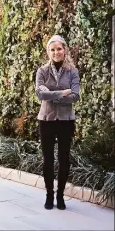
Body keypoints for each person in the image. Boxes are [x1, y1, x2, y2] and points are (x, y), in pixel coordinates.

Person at [35, 35, 80, 210]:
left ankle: (60, 195)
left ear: (65, 50)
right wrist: (62, 93)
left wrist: (51, 93)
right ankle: (49, 195)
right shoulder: (42, 71)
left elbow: (75, 96)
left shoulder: (72, 71)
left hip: (66, 121)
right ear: (48, 51)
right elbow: (40, 95)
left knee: (64, 159)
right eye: (52, 49)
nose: (56, 52)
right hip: (46, 120)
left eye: (59, 49)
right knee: (47, 160)